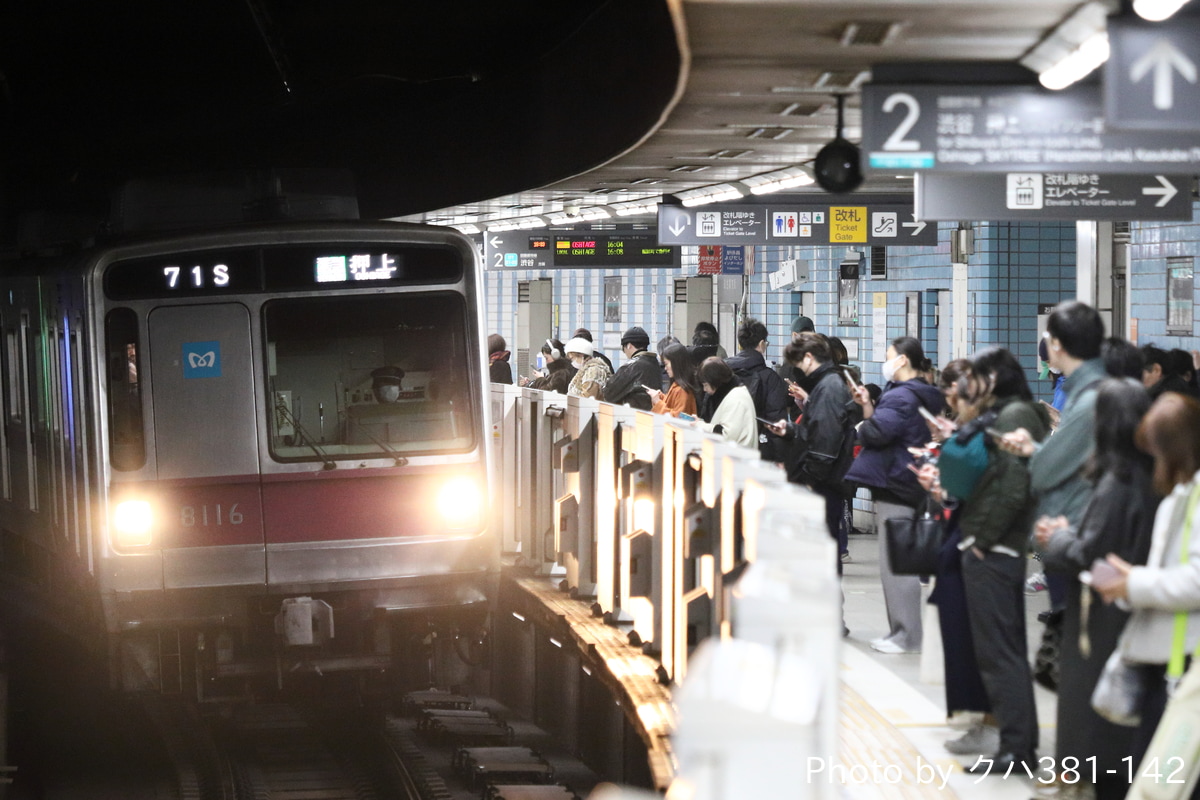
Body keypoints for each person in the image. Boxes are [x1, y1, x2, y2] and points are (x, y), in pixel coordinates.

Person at [1034, 379, 1158, 800]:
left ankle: (1084, 780)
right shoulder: (1154, 473)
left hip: (1104, 609)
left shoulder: (1116, 479)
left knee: (1093, 706)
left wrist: (1061, 538)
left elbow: (1092, 552)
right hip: (1135, 608)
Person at [1094, 392, 1200, 783]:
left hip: (1185, 663)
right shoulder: (1179, 495)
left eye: (1156, 453)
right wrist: (1128, 585)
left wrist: (1134, 583)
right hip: (1164, 658)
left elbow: (1196, 579)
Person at [1000, 302, 1108, 612]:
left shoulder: (1087, 399)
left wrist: (1034, 455)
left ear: (1057, 345)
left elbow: (1048, 470)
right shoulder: (1102, 389)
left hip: (1078, 531)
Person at [844, 336, 944, 655]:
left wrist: (863, 423)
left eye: (889, 356)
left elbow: (878, 432)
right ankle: (900, 631)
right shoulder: (924, 393)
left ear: (902, 360)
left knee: (896, 564)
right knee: (900, 561)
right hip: (911, 482)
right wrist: (868, 406)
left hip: (896, 483)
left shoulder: (902, 397)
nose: (886, 361)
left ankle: (906, 634)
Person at [919, 359, 997, 750]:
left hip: (973, 545)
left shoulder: (989, 433)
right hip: (961, 539)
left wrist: (944, 476)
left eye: (956, 394)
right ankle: (973, 719)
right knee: (960, 637)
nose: (950, 400)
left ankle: (990, 724)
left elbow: (979, 490)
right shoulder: (975, 431)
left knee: (978, 643)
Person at [766, 333, 856, 566]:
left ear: (808, 357)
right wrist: (791, 431)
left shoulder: (828, 389)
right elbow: (818, 432)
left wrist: (806, 481)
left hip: (821, 486)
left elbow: (825, 447)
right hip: (823, 484)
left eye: (797, 365)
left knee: (820, 561)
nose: (798, 372)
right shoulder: (827, 385)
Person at [724, 317, 790, 461]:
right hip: (758, 450)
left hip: (725, 446)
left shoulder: (724, 372)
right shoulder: (770, 378)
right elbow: (776, 421)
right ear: (761, 344)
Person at [694, 357, 756, 449]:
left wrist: (701, 425)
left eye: (705, 385)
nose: (704, 389)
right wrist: (699, 422)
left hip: (736, 458)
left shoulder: (736, 398)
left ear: (715, 381)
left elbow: (726, 435)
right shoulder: (726, 395)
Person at [602, 326, 660, 410]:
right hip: (654, 414)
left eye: (623, 348)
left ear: (629, 345)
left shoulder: (631, 367)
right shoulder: (655, 363)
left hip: (634, 416)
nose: (624, 352)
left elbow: (608, 393)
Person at [645, 343, 698, 418]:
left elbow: (677, 418)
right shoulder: (678, 386)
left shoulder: (682, 391)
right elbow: (671, 406)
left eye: (666, 364)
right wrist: (661, 397)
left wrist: (657, 402)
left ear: (676, 363)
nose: (665, 368)